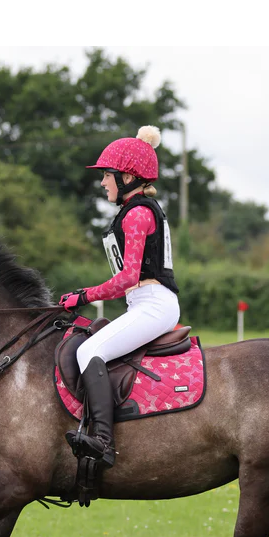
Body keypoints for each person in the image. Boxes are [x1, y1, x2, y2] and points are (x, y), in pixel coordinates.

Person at [60, 126, 180, 468]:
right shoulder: (136, 210)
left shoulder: (139, 214)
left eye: (107, 176)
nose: (103, 183)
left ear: (127, 176)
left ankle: (102, 441)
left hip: (154, 304)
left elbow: (127, 277)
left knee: (89, 350)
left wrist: (83, 295)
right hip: (147, 302)